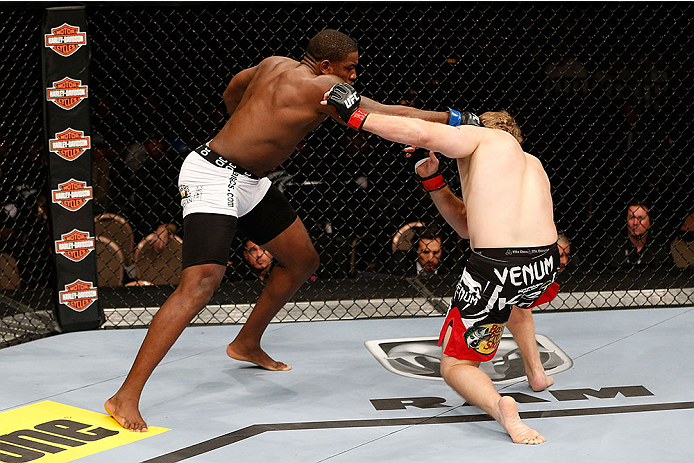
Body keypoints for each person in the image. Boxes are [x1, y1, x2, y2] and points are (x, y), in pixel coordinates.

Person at [105, 29, 460, 432]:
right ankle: (125, 396)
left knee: (301, 260)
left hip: (249, 180)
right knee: (201, 283)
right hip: (213, 176)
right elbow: (391, 114)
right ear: (326, 66)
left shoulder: (274, 64)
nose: (354, 76)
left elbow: (234, 89)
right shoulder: (324, 87)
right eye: (350, 68)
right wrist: (459, 120)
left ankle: (246, 343)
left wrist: (248, 125)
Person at [325, 86, 560, 444]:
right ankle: (536, 372)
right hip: (544, 266)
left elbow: (420, 131)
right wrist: (433, 180)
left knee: (456, 367)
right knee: (512, 299)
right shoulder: (533, 165)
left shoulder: (482, 138)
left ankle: (501, 409)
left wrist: (356, 117)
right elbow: (467, 228)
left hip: (496, 269)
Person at [602, 200, 670, 269]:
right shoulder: (611, 249)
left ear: (650, 222)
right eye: (631, 217)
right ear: (626, 220)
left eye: (641, 218)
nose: (635, 222)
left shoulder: (659, 251)